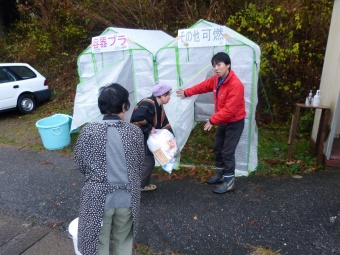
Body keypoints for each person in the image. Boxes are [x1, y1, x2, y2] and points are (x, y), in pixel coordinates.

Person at [74, 83, 145, 255]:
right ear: (123, 106)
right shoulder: (135, 132)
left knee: (98, 243)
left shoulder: (88, 131)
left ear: (102, 106)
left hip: (98, 199)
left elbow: (79, 163)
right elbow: (139, 163)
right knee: (124, 240)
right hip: (127, 198)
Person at [176, 52, 245, 194]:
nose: (216, 68)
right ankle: (220, 174)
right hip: (223, 121)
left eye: (219, 65)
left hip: (234, 122)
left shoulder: (235, 84)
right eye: (214, 65)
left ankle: (229, 181)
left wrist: (212, 120)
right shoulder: (216, 80)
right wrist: (187, 92)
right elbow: (202, 86)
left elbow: (230, 109)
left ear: (228, 65)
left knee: (227, 152)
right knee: (218, 148)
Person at [130, 81, 173, 191]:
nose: (170, 98)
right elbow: (137, 118)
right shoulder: (148, 103)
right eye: (168, 95)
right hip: (139, 138)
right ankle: (134, 189)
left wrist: (171, 139)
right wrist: (149, 128)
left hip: (146, 138)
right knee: (148, 163)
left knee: (147, 162)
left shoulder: (158, 105)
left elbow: (164, 123)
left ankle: (140, 185)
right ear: (162, 95)